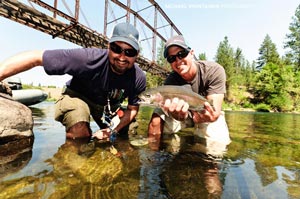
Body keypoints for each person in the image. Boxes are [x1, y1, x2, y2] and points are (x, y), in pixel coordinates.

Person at [0, 22, 146, 140]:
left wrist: (111, 130)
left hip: (107, 105)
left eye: (129, 52)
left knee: (128, 131)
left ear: (137, 55)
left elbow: (132, 110)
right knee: (80, 130)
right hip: (77, 95)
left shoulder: (138, 78)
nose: (122, 57)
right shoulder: (87, 58)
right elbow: (37, 57)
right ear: (108, 47)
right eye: (116, 48)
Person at [147, 35, 230, 157]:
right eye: (171, 58)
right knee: (156, 118)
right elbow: (179, 117)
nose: (178, 60)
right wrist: (178, 114)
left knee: (216, 149)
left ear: (191, 53)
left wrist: (207, 116)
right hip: (184, 114)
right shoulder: (170, 81)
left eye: (182, 54)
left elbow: (214, 112)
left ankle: (210, 168)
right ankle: (153, 157)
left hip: (204, 113)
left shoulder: (214, 70)